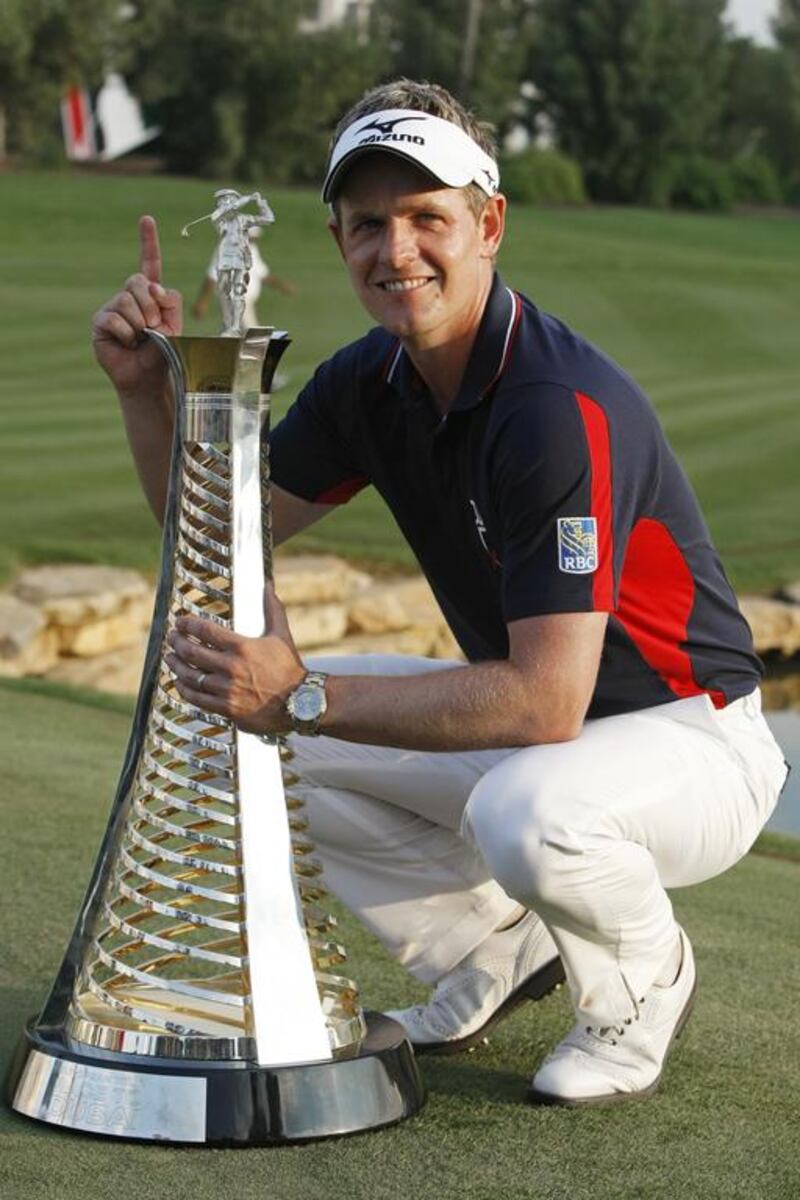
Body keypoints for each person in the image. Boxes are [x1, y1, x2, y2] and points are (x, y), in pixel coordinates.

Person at [91, 79, 788, 1108]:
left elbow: (546, 701)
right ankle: (495, 952)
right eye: (369, 223)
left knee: (520, 810)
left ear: (488, 223)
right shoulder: (366, 384)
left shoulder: (551, 406)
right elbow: (219, 539)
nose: (397, 248)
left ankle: (643, 982)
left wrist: (306, 692)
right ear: (337, 240)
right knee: (236, 726)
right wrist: (149, 398)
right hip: (548, 738)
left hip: (692, 739)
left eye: (428, 217)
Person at [191, 225, 296, 331]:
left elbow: (262, 274)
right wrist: (202, 302)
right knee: (251, 335)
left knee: (233, 334)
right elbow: (212, 277)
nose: (253, 241)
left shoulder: (252, 249)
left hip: (243, 300)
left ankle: (219, 346)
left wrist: (280, 285)